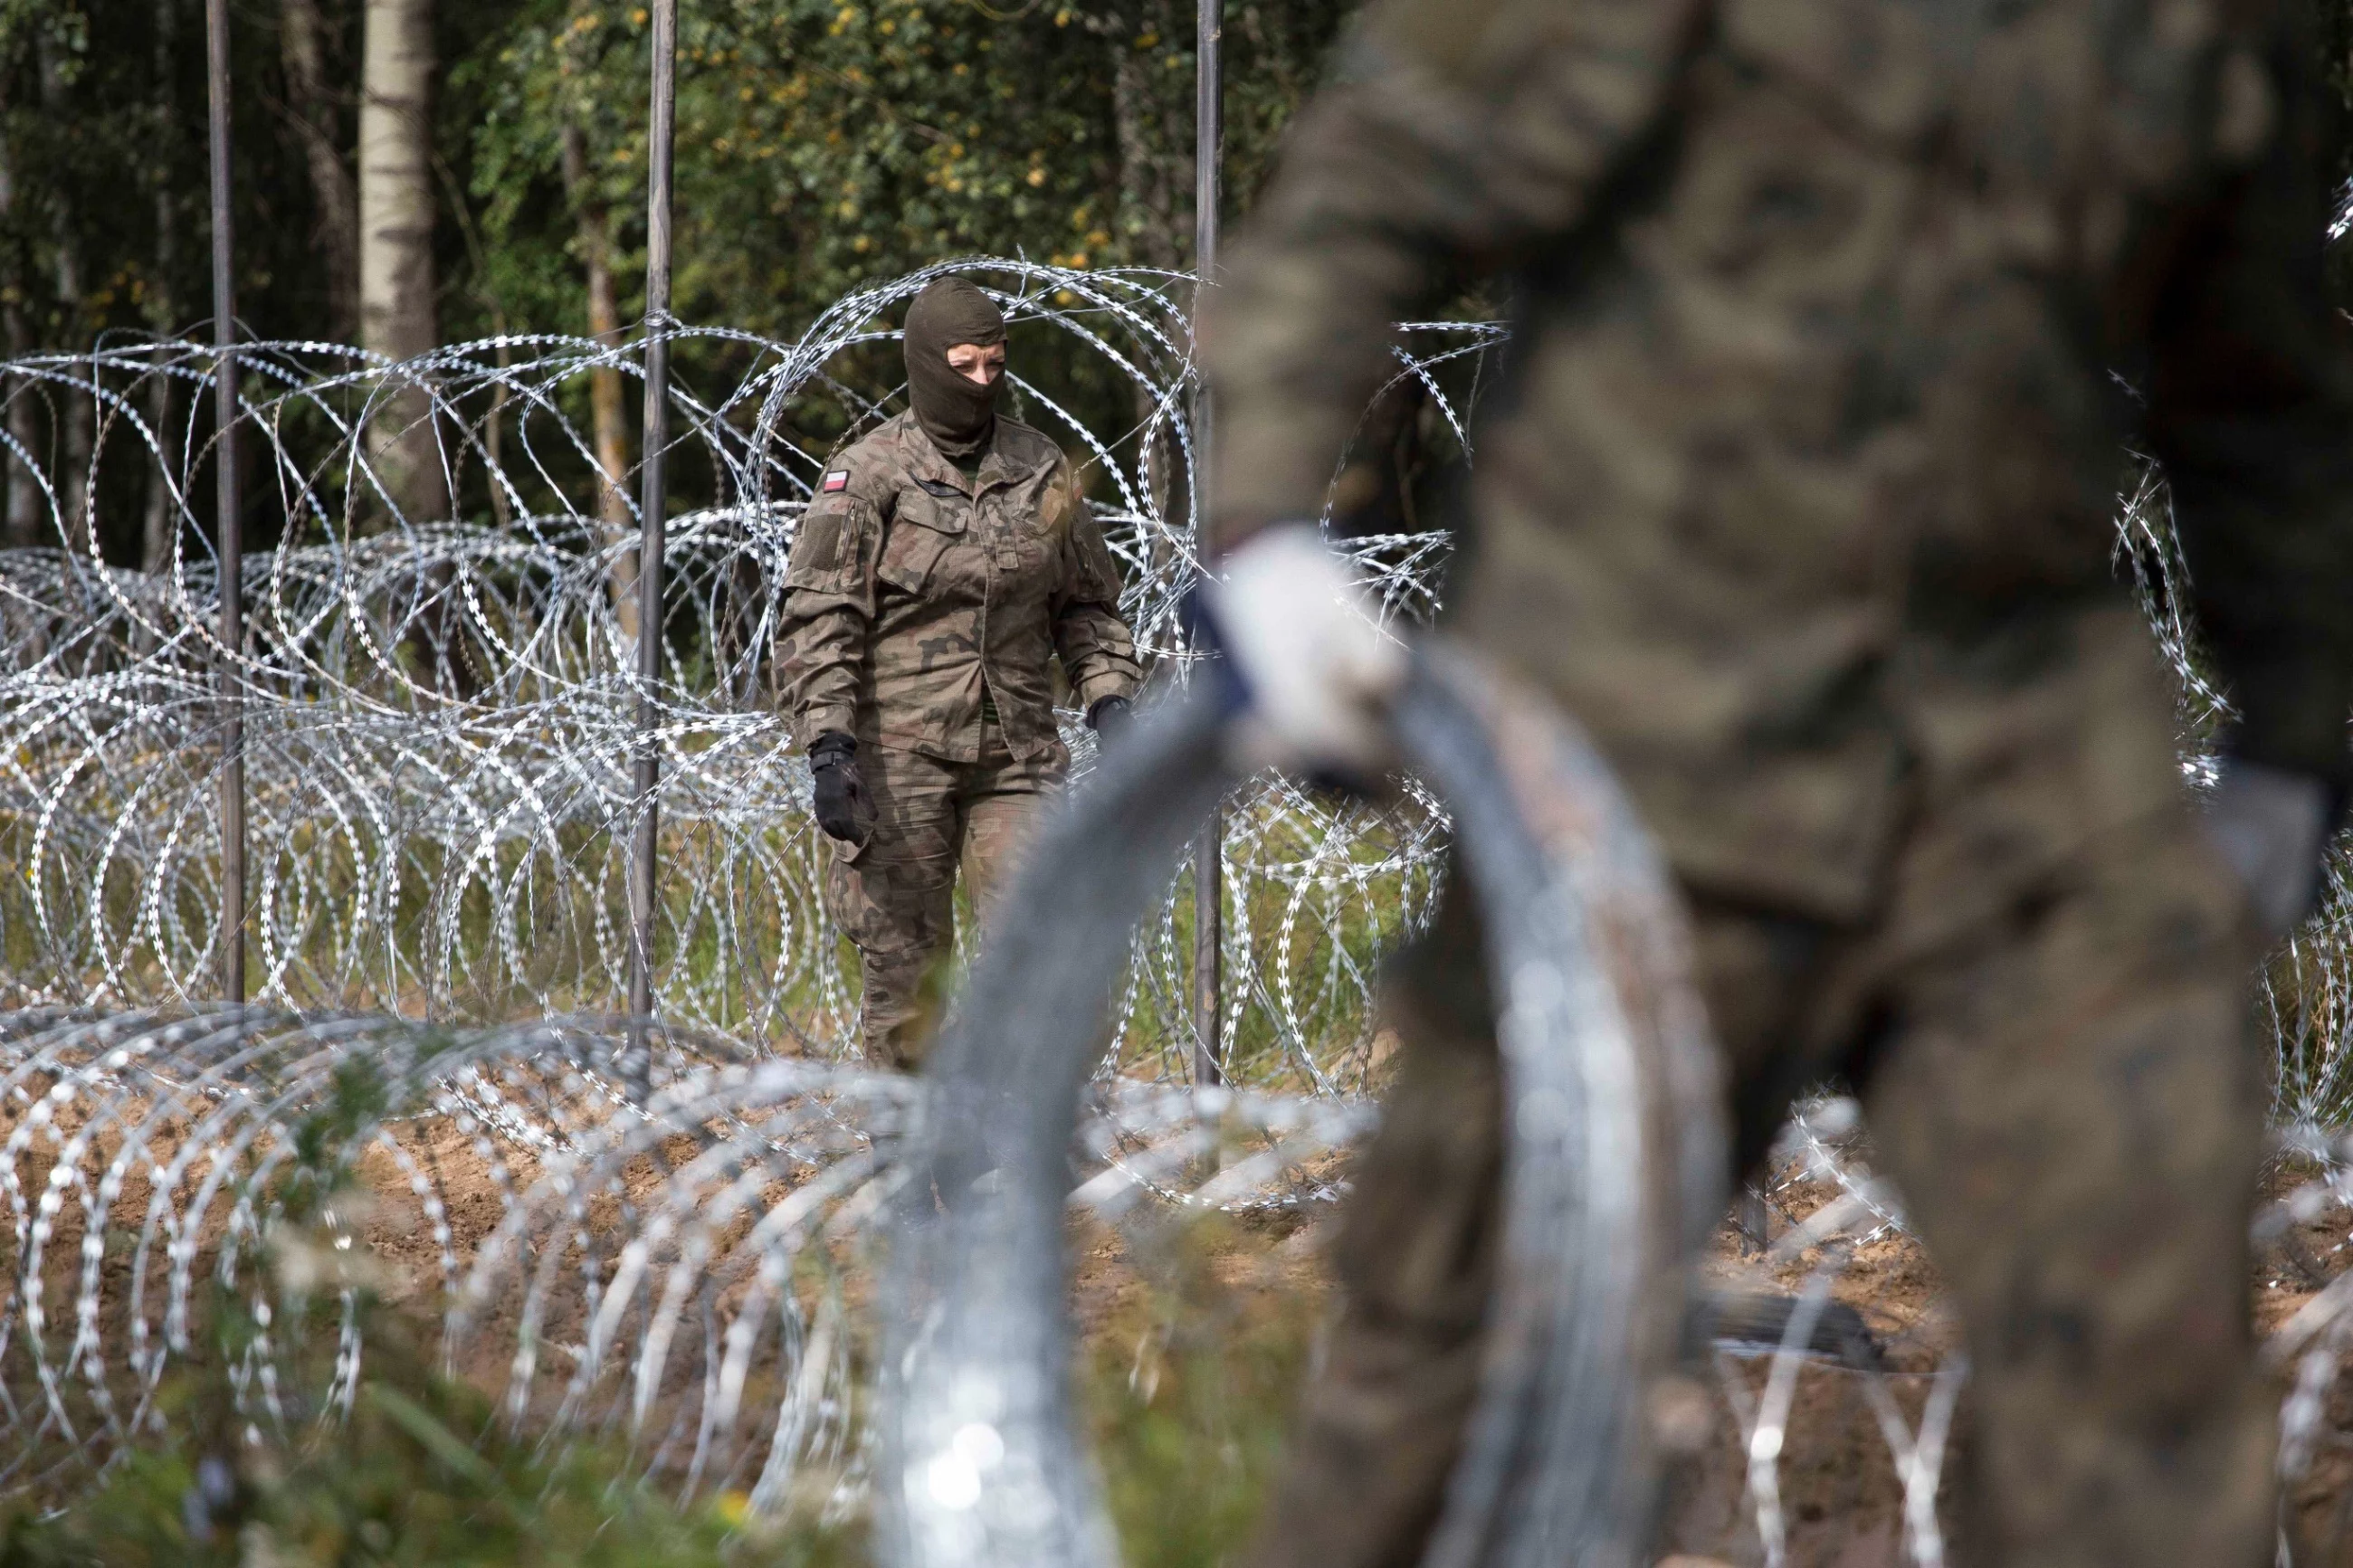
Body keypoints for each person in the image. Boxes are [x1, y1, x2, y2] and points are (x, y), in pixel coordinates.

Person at [1195, 0, 2353, 1563]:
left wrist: (2297, 730)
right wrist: (1267, 525)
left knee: (2145, 1361)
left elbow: (2260, 383)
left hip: (2022, 777)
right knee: (1470, 1357)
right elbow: (1365, 192)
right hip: (1637, 746)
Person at [780, 276, 1141, 1069]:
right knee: (911, 981)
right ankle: (913, 1165)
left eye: (996, 362)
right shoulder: (868, 475)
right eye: (964, 364)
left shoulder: (1042, 468)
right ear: (925, 363)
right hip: (897, 760)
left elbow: (1087, 607)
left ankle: (1020, 1156)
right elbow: (821, 619)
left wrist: (1111, 703)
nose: (982, 381)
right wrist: (829, 747)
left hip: (1017, 756)